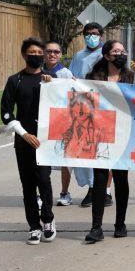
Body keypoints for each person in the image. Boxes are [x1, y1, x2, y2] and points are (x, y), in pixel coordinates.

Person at [83, 40, 135, 243]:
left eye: (123, 51)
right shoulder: (94, 78)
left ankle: (120, 223)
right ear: (107, 55)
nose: (121, 54)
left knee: (121, 179)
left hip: (123, 134)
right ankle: (96, 227)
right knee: (100, 179)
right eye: (116, 51)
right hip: (100, 134)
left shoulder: (129, 76)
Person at [0, 38, 57, 244]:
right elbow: (6, 112)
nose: (36, 56)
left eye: (39, 52)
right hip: (24, 140)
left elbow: (64, 102)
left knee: (44, 180)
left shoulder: (51, 78)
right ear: (24, 55)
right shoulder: (15, 80)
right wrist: (24, 134)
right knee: (28, 185)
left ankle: (48, 220)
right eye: (32, 52)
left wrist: (53, 85)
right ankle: (34, 226)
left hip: (45, 142)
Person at [67, 22, 106, 208]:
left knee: (103, 149)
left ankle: (104, 190)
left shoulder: (106, 55)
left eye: (95, 33)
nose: (92, 36)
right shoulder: (78, 56)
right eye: (88, 34)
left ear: (101, 35)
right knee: (83, 147)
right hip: (82, 106)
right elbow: (71, 80)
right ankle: (92, 187)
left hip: (103, 107)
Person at [42, 41, 75, 206]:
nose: (52, 54)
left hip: (62, 120)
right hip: (42, 121)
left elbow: (73, 94)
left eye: (56, 52)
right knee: (41, 159)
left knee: (64, 159)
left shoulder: (65, 73)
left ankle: (64, 193)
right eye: (49, 51)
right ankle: (41, 195)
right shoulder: (37, 70)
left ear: (60, 54)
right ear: (44, 53)